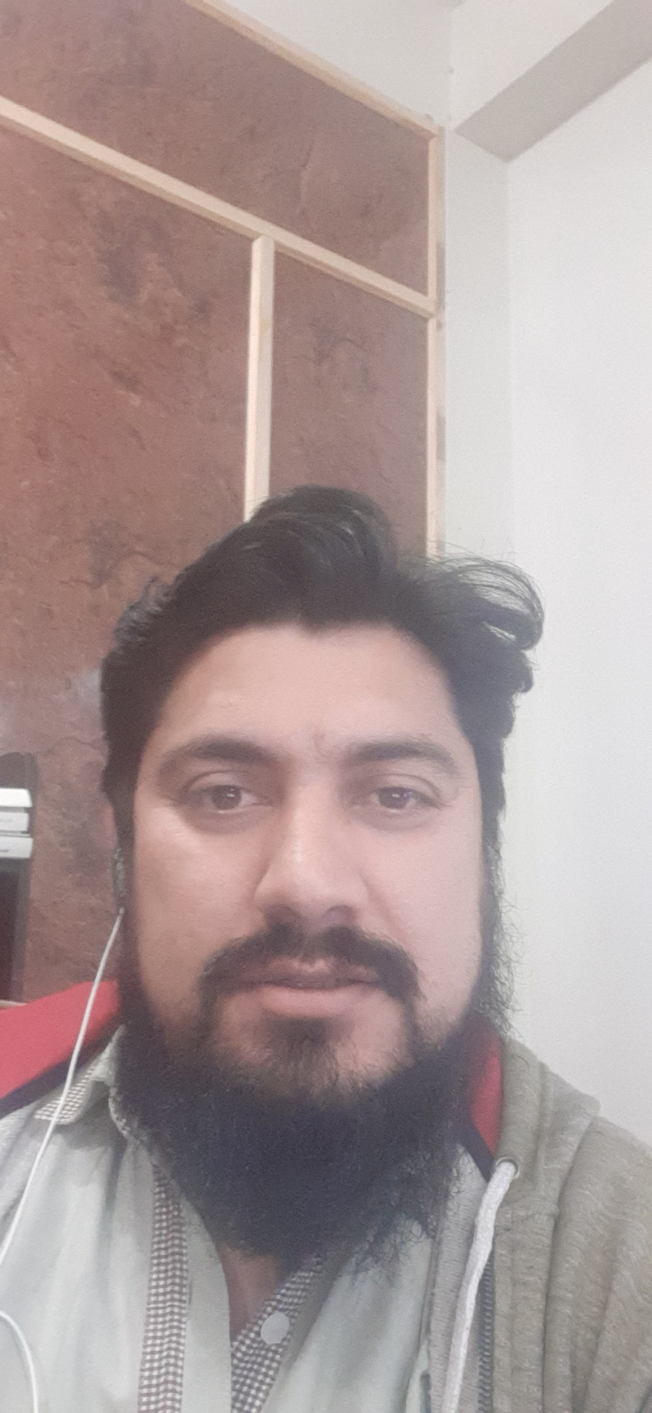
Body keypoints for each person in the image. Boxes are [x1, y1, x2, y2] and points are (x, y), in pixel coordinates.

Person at [0, 485, 651, 1413]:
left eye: (395, 795)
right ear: (122, 846)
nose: (305, 882)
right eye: (223, 793)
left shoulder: (619, 1258)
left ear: (483, 850)